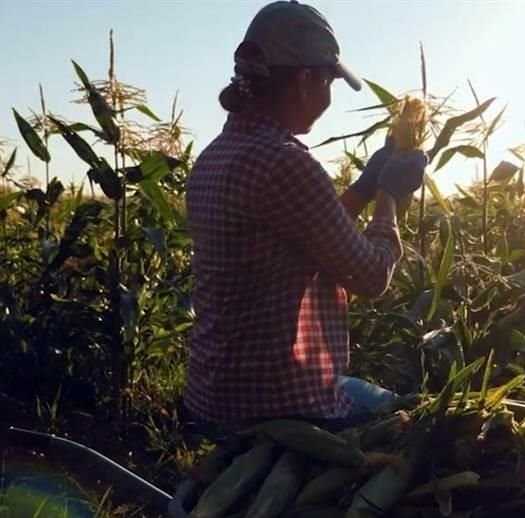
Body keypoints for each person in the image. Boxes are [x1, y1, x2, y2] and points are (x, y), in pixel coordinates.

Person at [183, 1, 428, 442]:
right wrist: (390, 195)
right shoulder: (286, 163)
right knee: (411, 419)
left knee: (377, 397)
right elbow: (372, 277)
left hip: (212, 396)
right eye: (330, 80)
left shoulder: (214, 157)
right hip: (277, 407)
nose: (330, 95)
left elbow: (297, 236)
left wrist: (361, 189)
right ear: (304, 80)